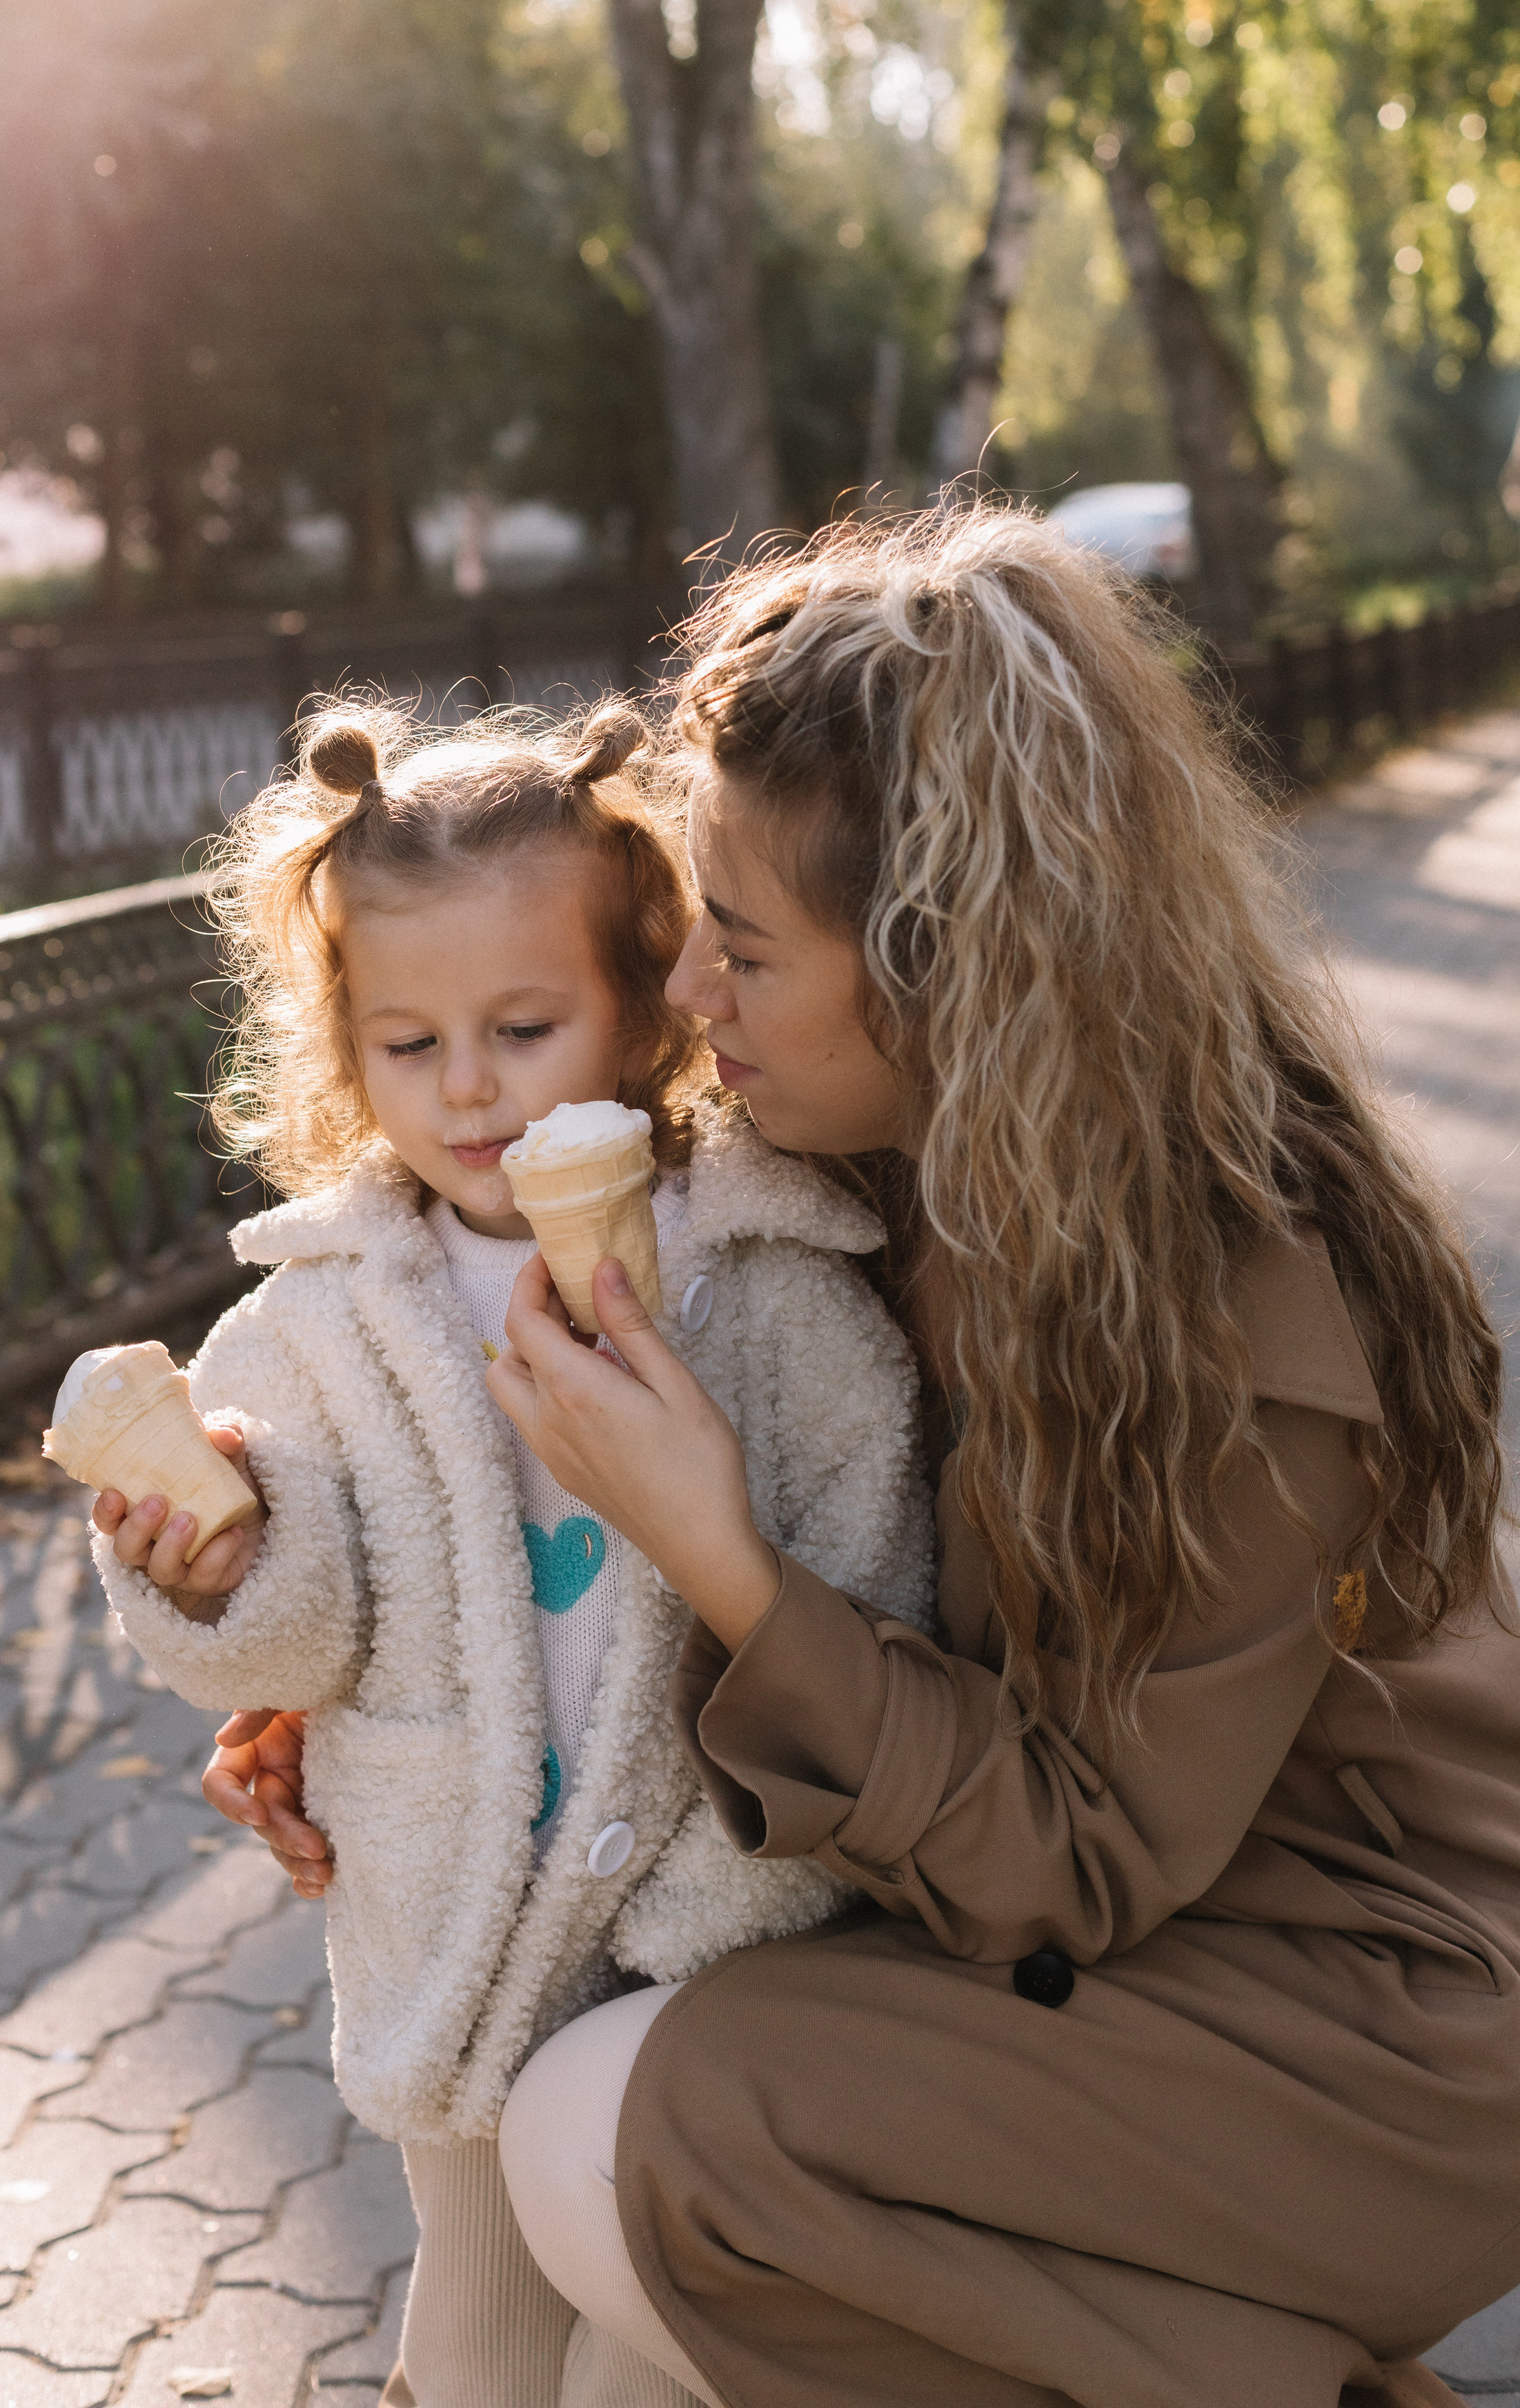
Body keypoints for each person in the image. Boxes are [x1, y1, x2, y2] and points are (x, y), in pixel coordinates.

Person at [214, 511, 1517, 2408]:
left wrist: (725, 1565)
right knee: (618, 2313)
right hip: (1089, 1954)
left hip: (1357, 2037)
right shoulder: (864, 1171)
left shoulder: (1243, 1304)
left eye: (739, 948)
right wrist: (387, 1698)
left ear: (941, 969)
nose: (685, 998)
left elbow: (1077, 1858)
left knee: (614, 2141)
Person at [85, 696, 935, 2408]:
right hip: (457, 1942)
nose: (467, 1087)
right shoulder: (313, 1327)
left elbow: (870, 1584)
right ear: (346, 1049)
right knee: (474, 2343)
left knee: (649, 2353)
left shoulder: (773, 1281)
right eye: (408, 1044)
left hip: (708, 1944)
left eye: (524, 1028)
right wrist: (214, 1577)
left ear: (641, 1003)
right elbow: (302, 1637)